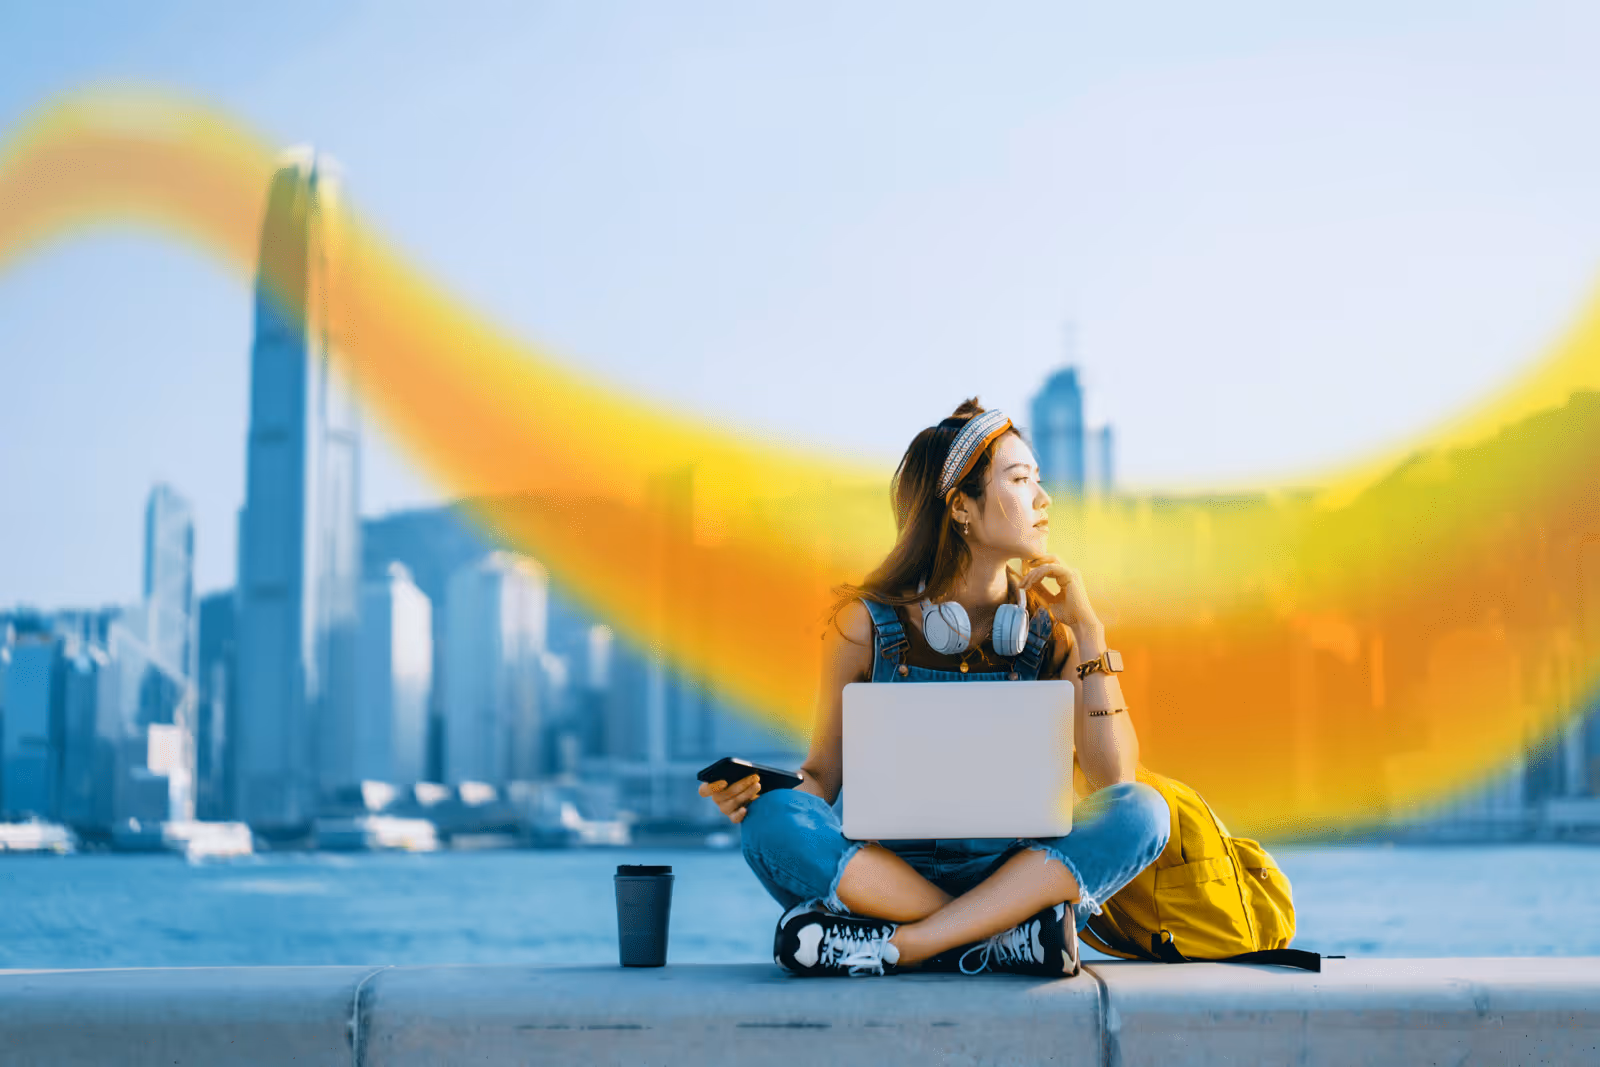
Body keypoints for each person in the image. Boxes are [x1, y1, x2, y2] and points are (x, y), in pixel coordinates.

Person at [700, 398, 1170, 977]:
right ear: (962, 507)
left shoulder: (1051, 632)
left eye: (1039, 482)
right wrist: (761, 790)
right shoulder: (865, 625)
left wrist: (1091, 635)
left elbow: (1112, 777)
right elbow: (822, 776)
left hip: (1013, 872)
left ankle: (908, 946)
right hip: (885, 876)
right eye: (1022, 481)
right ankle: (1003, 939)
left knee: (1144, 811)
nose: (1044, 500)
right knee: (771, 821)